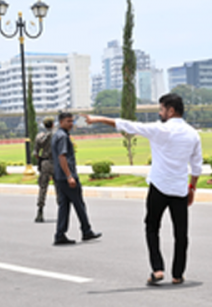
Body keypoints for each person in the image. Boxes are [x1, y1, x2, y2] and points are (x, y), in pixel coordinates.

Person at [85, 93, 202, 285]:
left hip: (158, 188)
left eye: (161, 109)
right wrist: (192, 188)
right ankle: (177, 274)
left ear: (171, 111)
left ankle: (157, 269)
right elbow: (196, 166)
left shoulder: (159, 130)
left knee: (152, 228)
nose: (159, 113)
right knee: (181, 233)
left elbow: (129, 125)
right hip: (180, 190)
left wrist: (99, 119)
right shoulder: (193, 134)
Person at [51, 112, 101, 245]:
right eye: (68, 121)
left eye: (72, 121)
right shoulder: (62, 137)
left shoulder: (58, 135)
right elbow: (62, 157)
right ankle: (86, 231)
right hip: (67, 177)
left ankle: (60, 234)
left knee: (64, 206)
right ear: (61, 122)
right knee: (79, 204)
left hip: (60, 177)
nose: (71, 124)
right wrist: (70, 176)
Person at [33, 117, 56, 222]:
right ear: (53, 124)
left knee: (43, 188)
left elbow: (36, 153)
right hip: (56, 163)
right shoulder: (57, 135)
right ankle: (61, 210)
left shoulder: (40, 137)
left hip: (45, 163)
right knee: (59, 188)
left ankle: (40, 211)